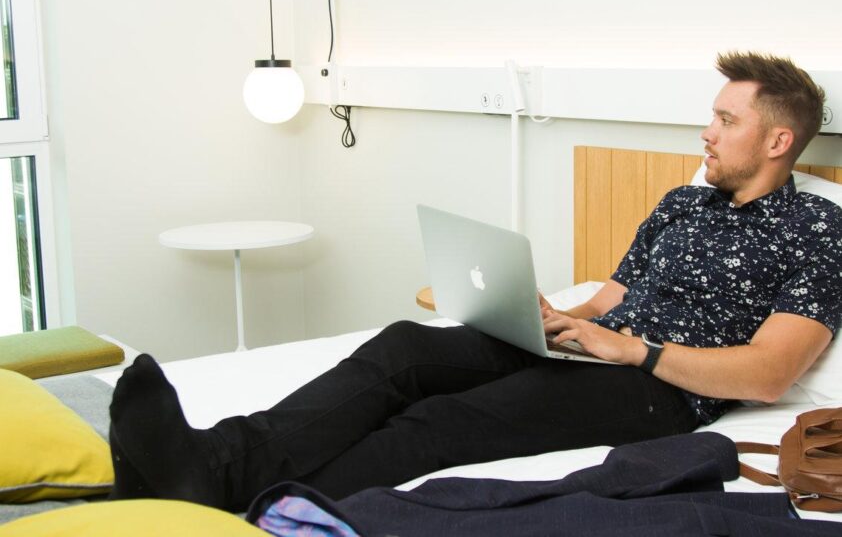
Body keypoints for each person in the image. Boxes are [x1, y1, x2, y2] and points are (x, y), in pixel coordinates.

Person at [108, 51, 842, 512]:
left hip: (662, 390)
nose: (706, 132)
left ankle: (255, 505)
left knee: (446, 419)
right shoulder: (684, 202)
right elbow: (614, 296)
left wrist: (632, 351)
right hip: (595, 347)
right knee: (405, 349)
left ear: (778, 139)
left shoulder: (817, 230)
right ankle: (216, 460)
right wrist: (556, 315)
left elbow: (770, 374)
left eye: (725, 120)